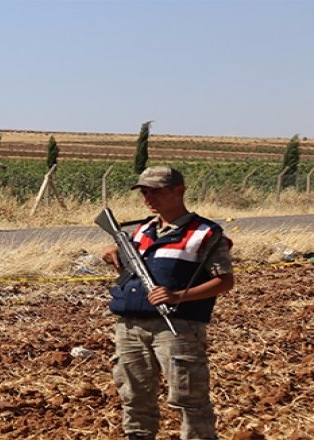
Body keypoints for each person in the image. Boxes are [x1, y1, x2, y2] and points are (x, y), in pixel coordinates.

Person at [100, 166, 234, 440]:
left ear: (179, 191)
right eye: (145, 192)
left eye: (157, 192)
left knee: (189, 399)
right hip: (130, 327)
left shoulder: (205, 233)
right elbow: (132, 271)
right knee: (134, 396)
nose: (149, 198)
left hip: (176, 329)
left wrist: (178, 296)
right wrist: (114, 253)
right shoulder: (143, 230)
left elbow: (224, 281)